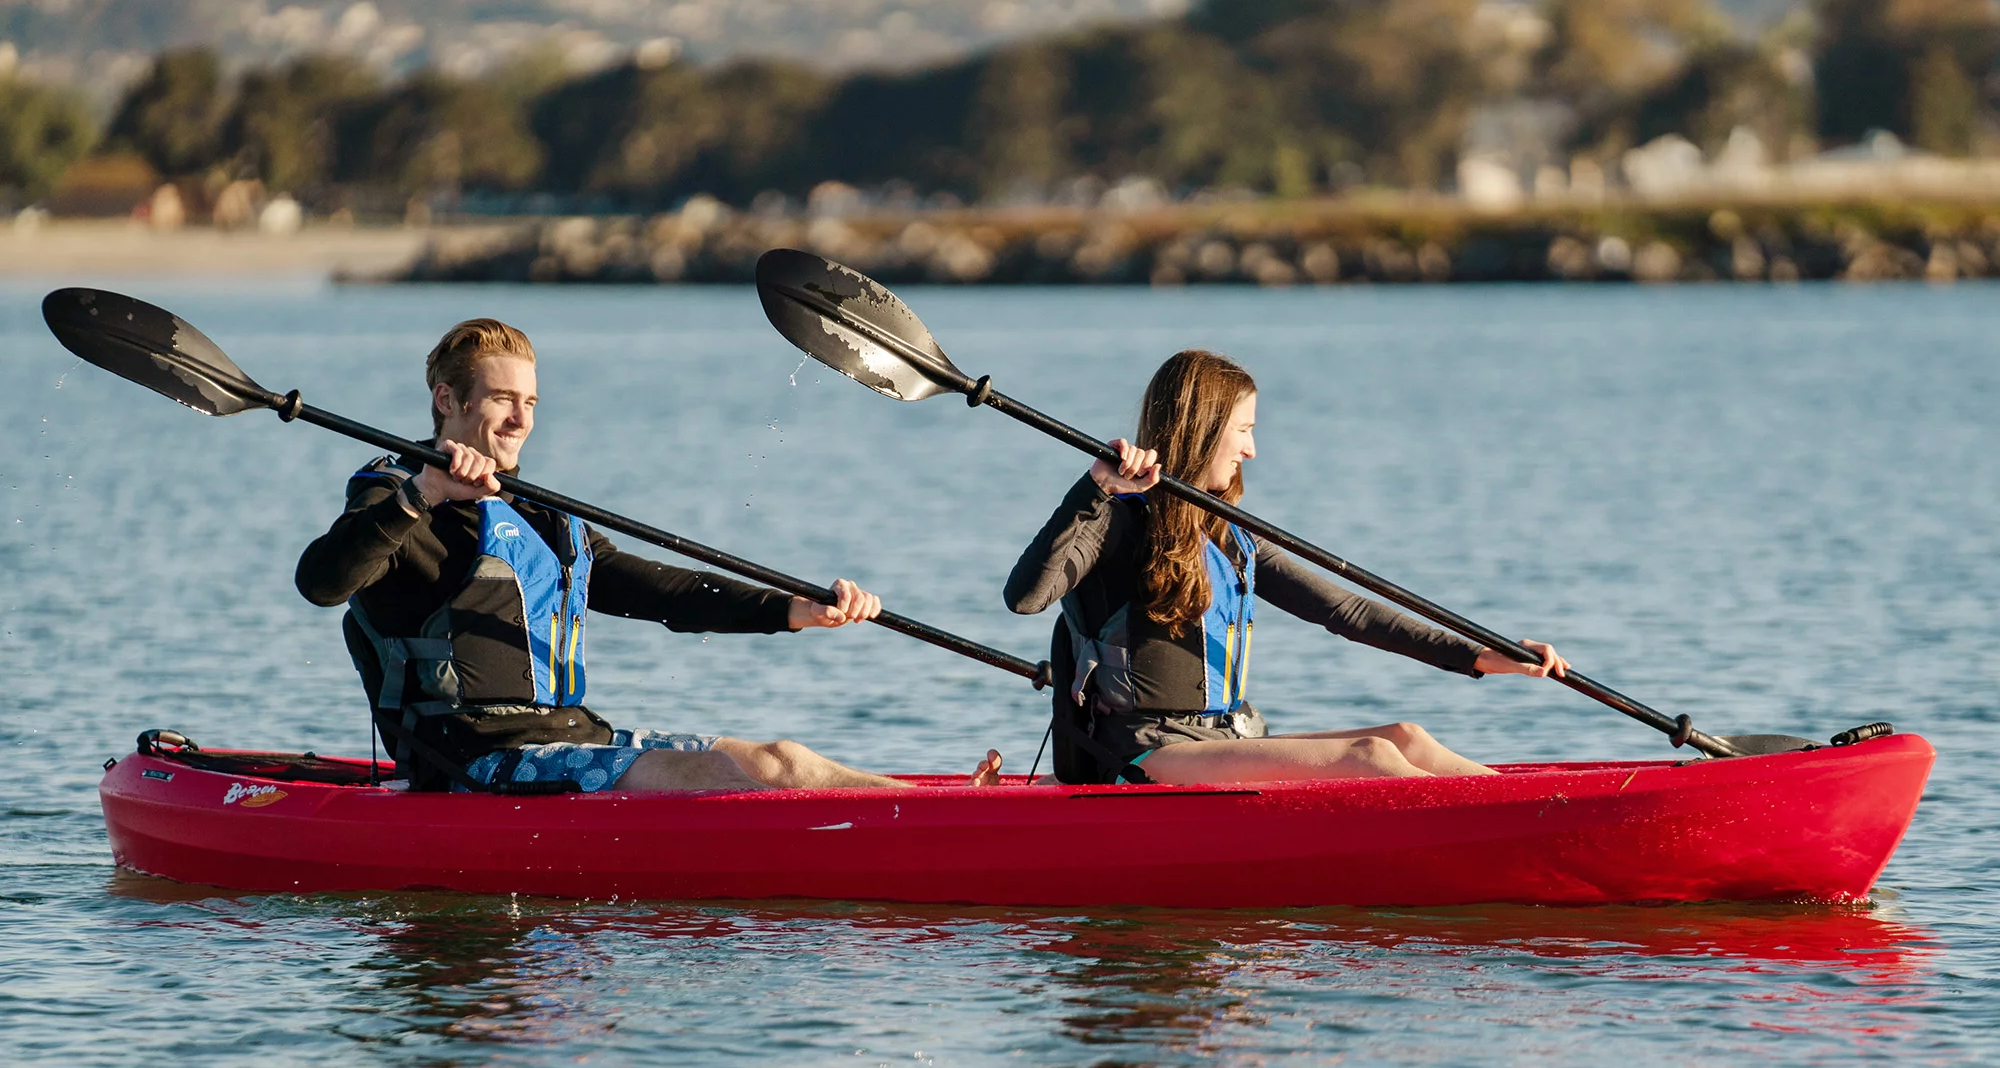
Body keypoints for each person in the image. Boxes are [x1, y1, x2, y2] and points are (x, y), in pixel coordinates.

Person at [297, 317, 1001, 794]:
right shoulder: (394, 498)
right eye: (503, 400)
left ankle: (947, 809)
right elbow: (322, 582)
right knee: (742, 774)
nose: (521, 420)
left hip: (570, 736)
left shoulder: (539, 513)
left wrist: (794, 611)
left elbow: (664, 592)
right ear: (446, 400)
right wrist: (423, 493)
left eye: (532, 402)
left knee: (782, 760)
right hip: (474, 759)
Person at [1003, 348, 1567, 784]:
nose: (1251, 449)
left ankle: (1547, 813)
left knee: (1407, 738)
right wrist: (1096, 485)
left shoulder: (1229, 538)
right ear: (1202, 429)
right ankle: (1501, 831)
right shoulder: (1114, 520)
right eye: (1244, 430)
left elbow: (1347, 610)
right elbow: (1025, 596)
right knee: (1370, 757)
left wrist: (1477, 656)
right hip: (1143, 750)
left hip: (1224, 739)